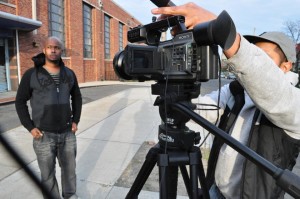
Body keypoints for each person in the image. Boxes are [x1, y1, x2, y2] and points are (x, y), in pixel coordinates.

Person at [152, 3, 300, 199]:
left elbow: (272, 91)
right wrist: (176, 58)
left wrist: (224, 32)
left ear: (286, 66)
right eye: (256, 55)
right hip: (216, 190)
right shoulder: (237, 91)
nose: (258, 62)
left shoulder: (292, 101)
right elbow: (202, 110)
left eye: (264, 58)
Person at [15, 36, 82, 199]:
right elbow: (20, 101)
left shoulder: (69, 73)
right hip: (43, 135)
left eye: (57, 47)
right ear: (44, 50)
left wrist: (75, 120)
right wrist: (30, 127)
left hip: (67, 133)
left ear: (61, 50)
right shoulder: (31, 74)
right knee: (47, 175)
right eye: (50, 47)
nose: (53, 50)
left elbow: (77, 97)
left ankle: (70, 196)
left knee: (70, 172)